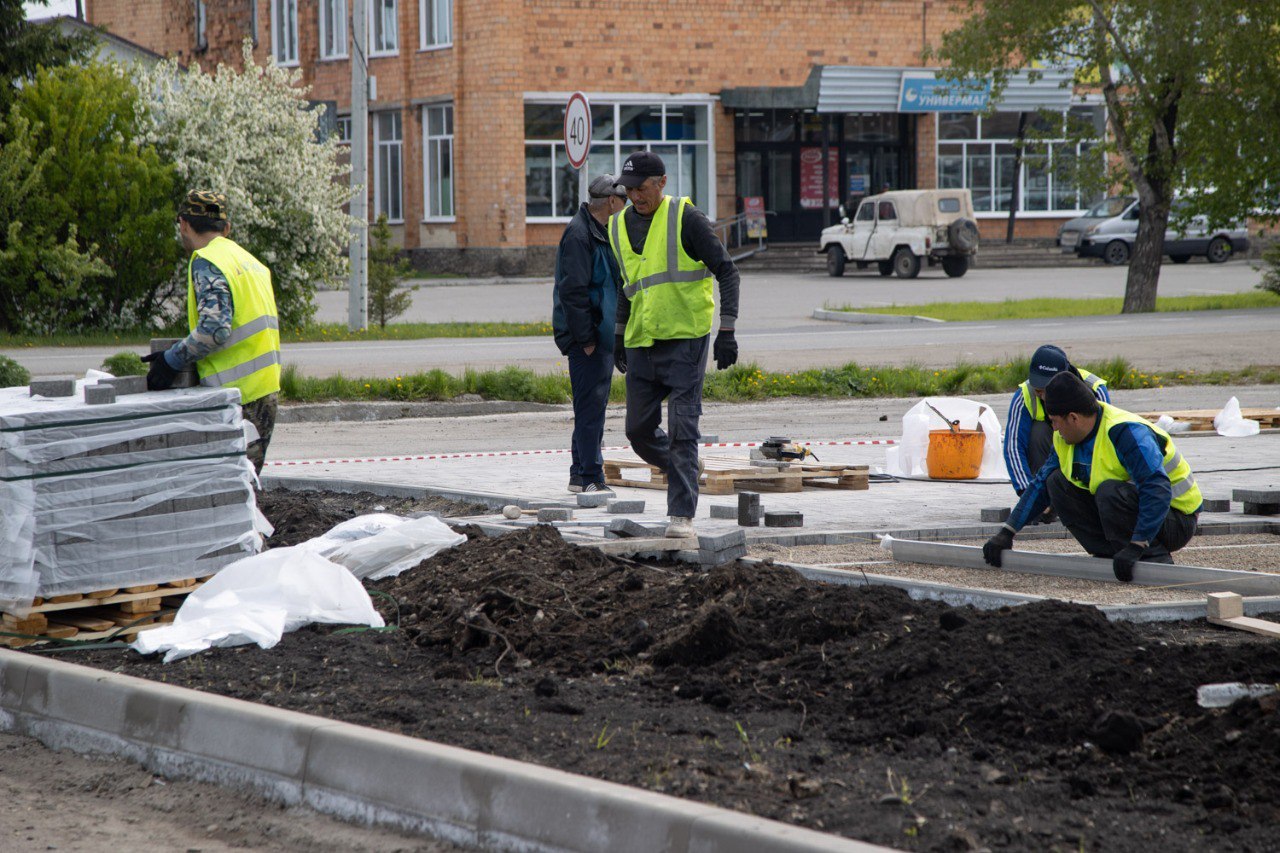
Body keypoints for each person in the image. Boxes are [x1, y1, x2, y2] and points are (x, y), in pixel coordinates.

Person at [610, 151, 740, 538]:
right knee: (637, 431)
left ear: (662, 182)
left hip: (686, 341)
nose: (635, 196)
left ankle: (680, 517)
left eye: (641, 188)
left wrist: (727, 330)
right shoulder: (618, 226)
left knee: (684, 429)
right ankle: (686, 465)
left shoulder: (686, 218)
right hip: (642, 342)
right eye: (629, 190)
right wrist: (618, 335)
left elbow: (727, 272)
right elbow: (627, 286)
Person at [983, 371, 1202, 582]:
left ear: (1073, 418)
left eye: (1055, 421)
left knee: (1109, 491)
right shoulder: (1064, 438)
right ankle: (1110, 555)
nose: (1054, 429)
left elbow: (1156, 489)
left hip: (1175, 519)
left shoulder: (1126, 432)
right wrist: (1007, 532)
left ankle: (1154, 559)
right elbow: (1039, 486)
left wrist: (1138, 544)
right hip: (1138, 512)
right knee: (1056, 482)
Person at [143, 190, 281, 475]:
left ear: (183, 224)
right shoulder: (250, 261)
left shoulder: (207, 261)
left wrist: (171, 360)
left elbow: (214, 329)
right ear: (226, 228)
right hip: (265, 392)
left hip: (237, 400)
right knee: (245, 486)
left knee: (230, 488)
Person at [552, 173, 627, 494]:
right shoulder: (580, 235)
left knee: (590, 406)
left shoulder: (600, 231)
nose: (627, 205)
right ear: (611, 201)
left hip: (600, 334)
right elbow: (573, 293)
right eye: (624, 200)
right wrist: (586, 340)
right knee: (591, 408)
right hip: (589, 338)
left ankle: (578, 474)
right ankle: (591, 477)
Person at [1003, 344, 1110, 502]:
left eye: (1048, 389)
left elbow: (1104, 444)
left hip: (1083, 455)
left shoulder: (1094, 390)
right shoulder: (1025, 394)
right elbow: (1013, 446)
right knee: (1038, 432)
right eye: (1039, 391)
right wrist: (1028, 495)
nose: (1044, 396)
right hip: (1047, 455)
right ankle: (1044, 496)